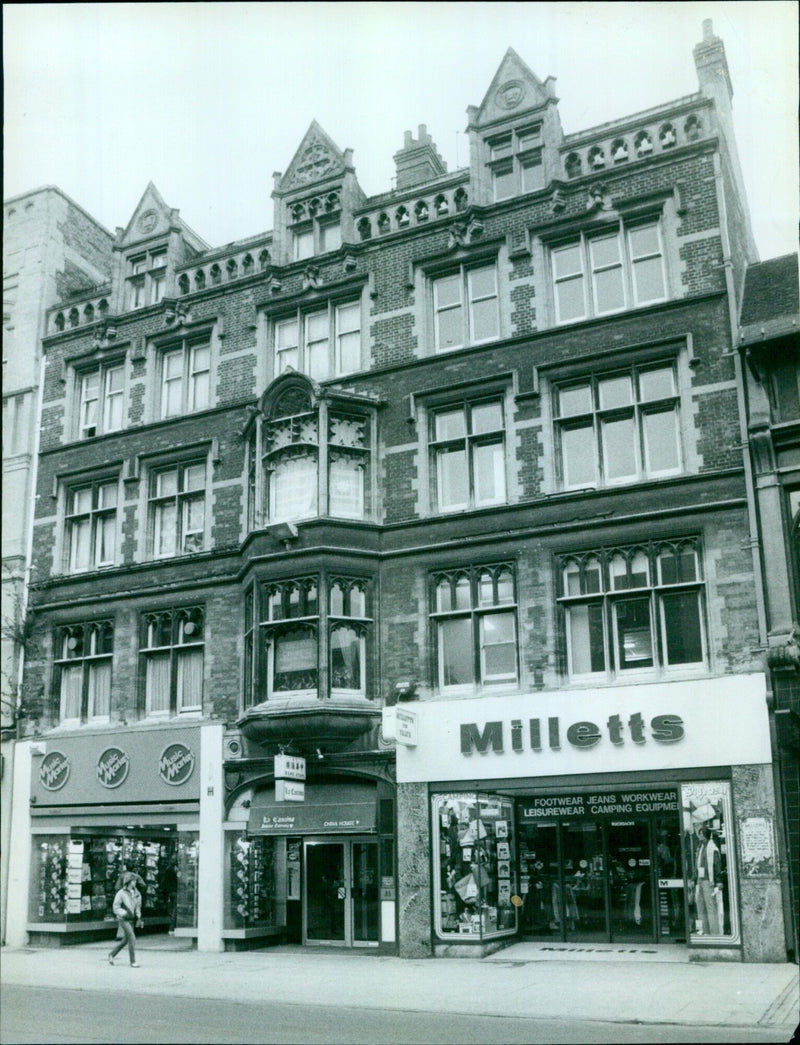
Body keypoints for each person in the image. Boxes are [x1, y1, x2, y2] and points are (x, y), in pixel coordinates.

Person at [108, 872, 143, 967]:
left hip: (132, 920)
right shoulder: (121, 893)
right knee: (132, 937)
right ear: (128, 882)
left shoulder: (137, 893)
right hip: (123, 919)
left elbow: (138, 907)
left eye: (135, 880)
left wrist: (139, 917)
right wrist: (124, 913)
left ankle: (111, 954)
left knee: (125, 941)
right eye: (133, 880)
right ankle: (133, 961)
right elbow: (115, 907)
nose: (135, 882)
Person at [693, 827, 722, 936]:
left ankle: (714, 933)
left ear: (707, 835)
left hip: (708, 880)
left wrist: (718, 880)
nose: (700, 836)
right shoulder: (699, 848)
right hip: (700, 880)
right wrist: (693, 878)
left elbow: (717, 865)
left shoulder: (712, 848)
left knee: (710, 907)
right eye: (699, 834)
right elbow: (697, 865)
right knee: (700, 906)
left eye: (702, 834)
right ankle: (704, 931)